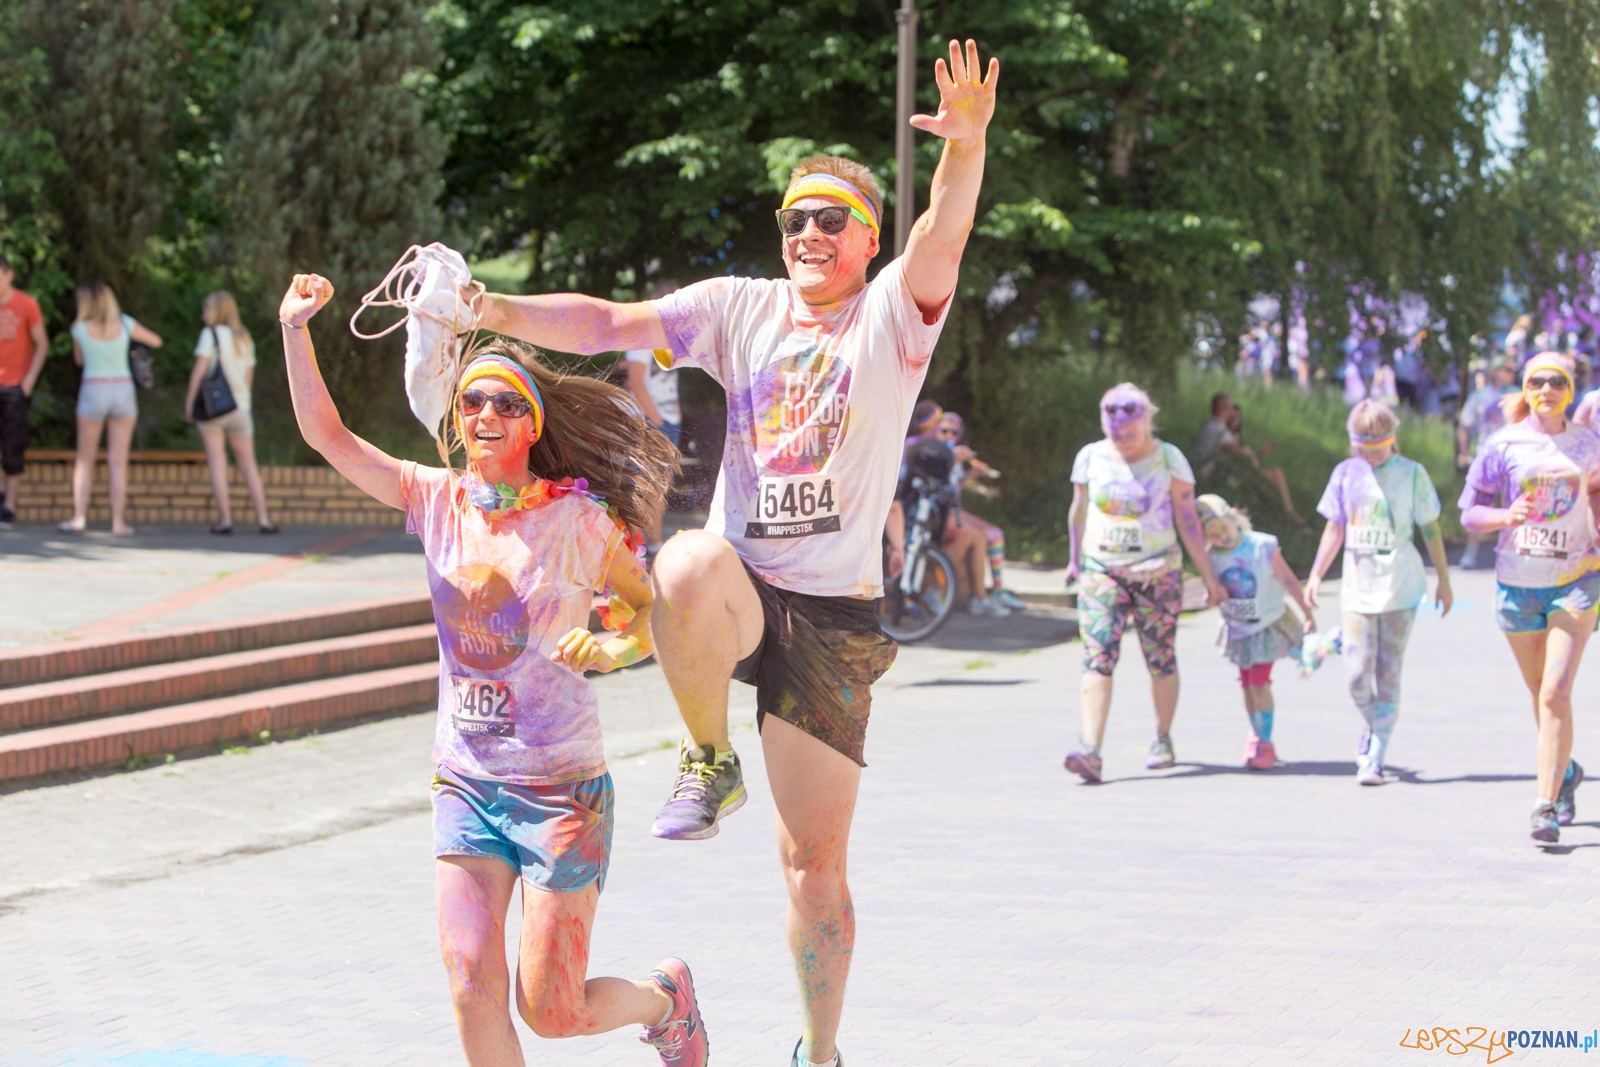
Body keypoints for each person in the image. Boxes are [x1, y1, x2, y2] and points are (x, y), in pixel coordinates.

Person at [465, 39, 999, 1067]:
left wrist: (965, 146)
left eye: (828, 218)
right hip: (743, 588)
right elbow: (605, 318)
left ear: (863, 236)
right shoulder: (738, 308)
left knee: (814, 867)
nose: (806, 232)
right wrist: (490, 309)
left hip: (833, 616)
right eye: (793, 216)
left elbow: (942, 234)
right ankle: (707, 756)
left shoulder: (890, 315)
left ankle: (819, 1046)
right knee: (685, 563)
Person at [277, 272, 706, 1065]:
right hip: (466, 782)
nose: (484, 414)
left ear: (531, 423)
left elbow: (657, 610)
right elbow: (328, 436)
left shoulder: (580, 520)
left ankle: (665, 999)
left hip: (561, 792)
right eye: (472, 400)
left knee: (551, 1008)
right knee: (470, 981)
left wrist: (615, 645)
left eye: (506, 403)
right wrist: (296, 331)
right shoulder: (435, 499)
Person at [1460, 352, 1597, 843]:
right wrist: (1504, 517)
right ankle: (1566, 771)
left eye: (1556, 381)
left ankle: (1545, 806)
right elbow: (1469, 515)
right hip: (1517, 584)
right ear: (1526, 388)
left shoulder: (1588, 445)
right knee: (1540, 697)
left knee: (1555, 692)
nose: (1546, 389)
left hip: (1576, 580)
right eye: (1536, 381)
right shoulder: (1503, 444)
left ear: (1569, 388)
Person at [1062, 383, 1226, 783]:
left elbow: (1187, 520)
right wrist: (1073, 558)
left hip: (1159, 573)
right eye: (1115, 432)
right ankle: (1091, 751)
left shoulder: (1170, 460)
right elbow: (1079, 510)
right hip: (1103, 572)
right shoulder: (1091, 458)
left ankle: (1163, 738)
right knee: (1097, 657)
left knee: (1160, 658)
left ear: (1149, 420)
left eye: (1131, 434)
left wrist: (1208, 575)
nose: (1123, 441)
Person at [1305, 400, 1451, 786]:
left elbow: (1431, 529)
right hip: (1356, 590)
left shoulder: (1412, 475)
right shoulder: (1345, 474)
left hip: (1400, 590)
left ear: (1392, 438)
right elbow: (1335, 527)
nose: (1371, 453)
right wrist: (1317, 575)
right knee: (1356, 677)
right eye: (1363, 446)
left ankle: (1374, 756)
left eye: (1378, 446)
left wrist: (1445, 580)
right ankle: (1377, 727)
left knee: (1388, 674)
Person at [1196, 493, 1316, 770]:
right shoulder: (1211, 558)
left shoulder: (1261, 545)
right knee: (1248, 684)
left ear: (1234, 515)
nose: (1221, 537)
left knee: (1260, 682)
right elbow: (1210, 597)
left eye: (1223, 527)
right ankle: (1255, 733)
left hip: (1268, 623)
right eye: (1211, 534)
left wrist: (1308, 615)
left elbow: (1288, 579)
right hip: (1240, 630)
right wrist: (1215, 596)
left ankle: (1265, 742)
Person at [61, 282, 162, 536]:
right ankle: (118, 522)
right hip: (123, 391)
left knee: (85, 459)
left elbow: (79, 361)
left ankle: (79, 518)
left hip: (94, 389)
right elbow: (156, 341)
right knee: (118, 462)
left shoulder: (79, 329)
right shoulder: (125, 324)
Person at [185, 290, 277, 534]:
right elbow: (248, 379)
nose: (203, 314)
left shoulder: (210, 335)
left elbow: (199, 371)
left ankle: (226, 521)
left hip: (214, 410)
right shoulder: (244, 337)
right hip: (240, 409)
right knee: (249, 465)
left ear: (216, 312)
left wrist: (189, 403)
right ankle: (264, 520)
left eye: (206, 310)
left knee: (218, 464)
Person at [935, 411, 1026, 610]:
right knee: (977, 536)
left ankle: (999, 591)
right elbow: (937, 484)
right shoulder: (934, 453)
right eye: (944, 430)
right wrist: (953, 460)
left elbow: (953, 487)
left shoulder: (953, 455)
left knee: (995, 534)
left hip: (953, 509)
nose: (950, 435)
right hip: (941, 510)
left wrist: (970, 474)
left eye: (955, 432)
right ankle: (979, 597)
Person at [620, 282, 683, 561]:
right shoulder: (643, 336)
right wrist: (655, 420)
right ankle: (644, 549)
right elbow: (635, 380)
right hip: (650, 421)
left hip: (666, 419)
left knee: (658, 487)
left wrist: (674, 415)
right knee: (645, 487)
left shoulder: (668, 338)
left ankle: (651, 544)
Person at [1193, 392, 1307, 524]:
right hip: (1214, 475)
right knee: (1274, 473)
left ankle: (1282, 513)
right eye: (1231, 408)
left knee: (1267, 474)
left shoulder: (1211, 425)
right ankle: (1287, 515)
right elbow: (1238, 453)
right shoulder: (1217, 428)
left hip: (1218, 472)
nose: (1232, 412)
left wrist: (1257, 452)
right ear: (1224, 409)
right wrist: (1259, 452)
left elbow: (1238, 454)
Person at [0, 255, 48, 529]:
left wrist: (29, 379)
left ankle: (10, 505)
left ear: (9, 275)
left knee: (13, 444)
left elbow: (42, 343)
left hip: (15, 385)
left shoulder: (26, 304)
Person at [1456, 359, 1517, 568]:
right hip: (1485, 458)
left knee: (1513, 508)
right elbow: (1464, 425)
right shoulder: (1479, 396)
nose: (1511, 373)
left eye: (1513, 370)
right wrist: (1463, 452)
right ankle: (1470, 552)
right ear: (1494, 371)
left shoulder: (1519, 394)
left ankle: (1513, 552)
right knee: (1477, 507)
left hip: (1514, 458)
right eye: (1507, 368)